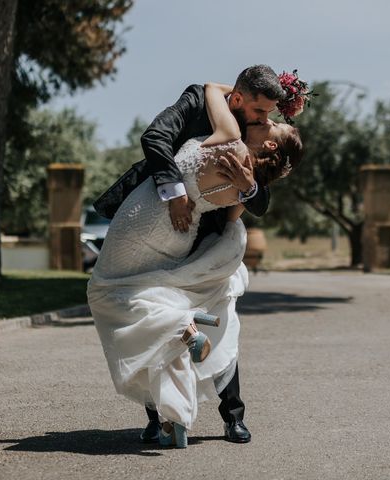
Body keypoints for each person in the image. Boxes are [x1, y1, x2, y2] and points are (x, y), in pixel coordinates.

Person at [88, 77, 304, 448]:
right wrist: (175, 193)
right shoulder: (199, 105)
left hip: (198, 239)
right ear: (240, 97)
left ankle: (232, 416)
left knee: (218, 318)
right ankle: (159, 417)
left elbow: (258, 202)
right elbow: (155, 138)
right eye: (262, 110)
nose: (265, 116)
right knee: (149, 303)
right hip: (166, 215)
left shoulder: (235, 136)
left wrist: (251, 187)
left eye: (270, 116)